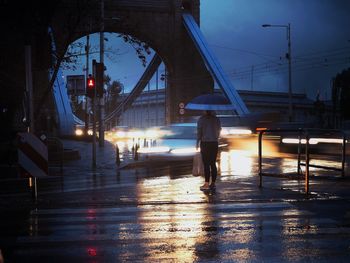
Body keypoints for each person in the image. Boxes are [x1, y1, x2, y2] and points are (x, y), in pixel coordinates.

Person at [196, 110, 221, 190]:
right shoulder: (216, 119)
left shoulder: (201, 119)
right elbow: (219, 130)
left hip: (205, 143)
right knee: (213, 163)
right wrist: (215, 137)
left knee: (206, 164)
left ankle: (206, 183)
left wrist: (197, 142)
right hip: (214, 143)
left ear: (205, 110)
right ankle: (213, 183)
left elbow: (199, 132)